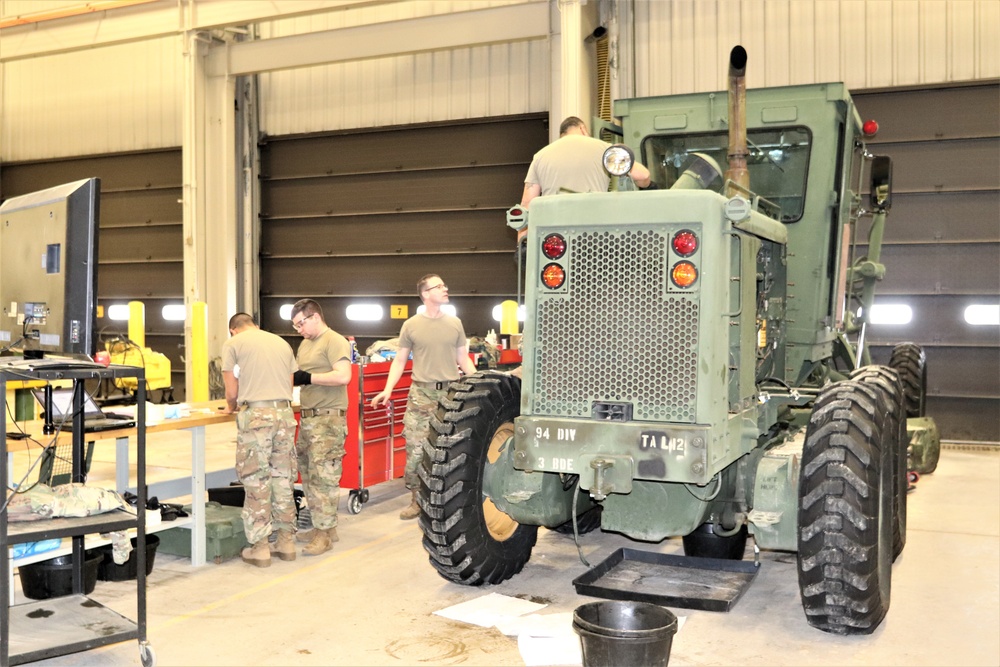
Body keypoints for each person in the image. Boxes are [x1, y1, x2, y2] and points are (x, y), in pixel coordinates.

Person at [370, 275, 478, 520]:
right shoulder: (411, 325)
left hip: (452, 394)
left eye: (444, 285)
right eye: (438, 286)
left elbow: (463, 360)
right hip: (420, 394)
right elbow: (399, 360)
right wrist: (388, 389)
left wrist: (480, 383)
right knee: (416, 449)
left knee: (452, 449)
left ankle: (449, 501)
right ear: (425, 294)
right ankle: (416, 499)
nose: (445, 288)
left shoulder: (455, 323)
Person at [221, 312, 298, 568]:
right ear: (255, 324)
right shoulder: (281, 342)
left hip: (257, 416)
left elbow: (231, 391)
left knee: (256, 479)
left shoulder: (233, 344)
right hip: (285, 414)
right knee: (282, 478)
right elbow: (289, 384)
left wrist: (230, 406)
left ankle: (260, 547)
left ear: (234, 329)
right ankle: (286, 542)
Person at [518, 116, 652, 241]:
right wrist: (648, 185)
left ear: (562, 135)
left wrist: (522, 245)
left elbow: (527, 204)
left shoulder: (540, 156)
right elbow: (643, 175)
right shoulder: (605, 149)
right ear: (583, 129)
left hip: (554, 238)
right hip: (594, 235)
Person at [289, 299, 352, 557]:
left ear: (315, 317)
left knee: (324, 477)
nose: (299, 330)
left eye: (301, 323)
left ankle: (324, 535)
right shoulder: (305, 344)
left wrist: (308, 378)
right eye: (295, 327)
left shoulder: (334, 340)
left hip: (328, 420)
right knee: (309, 475)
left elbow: (343, 376)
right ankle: (324, 527)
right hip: (308, 418)